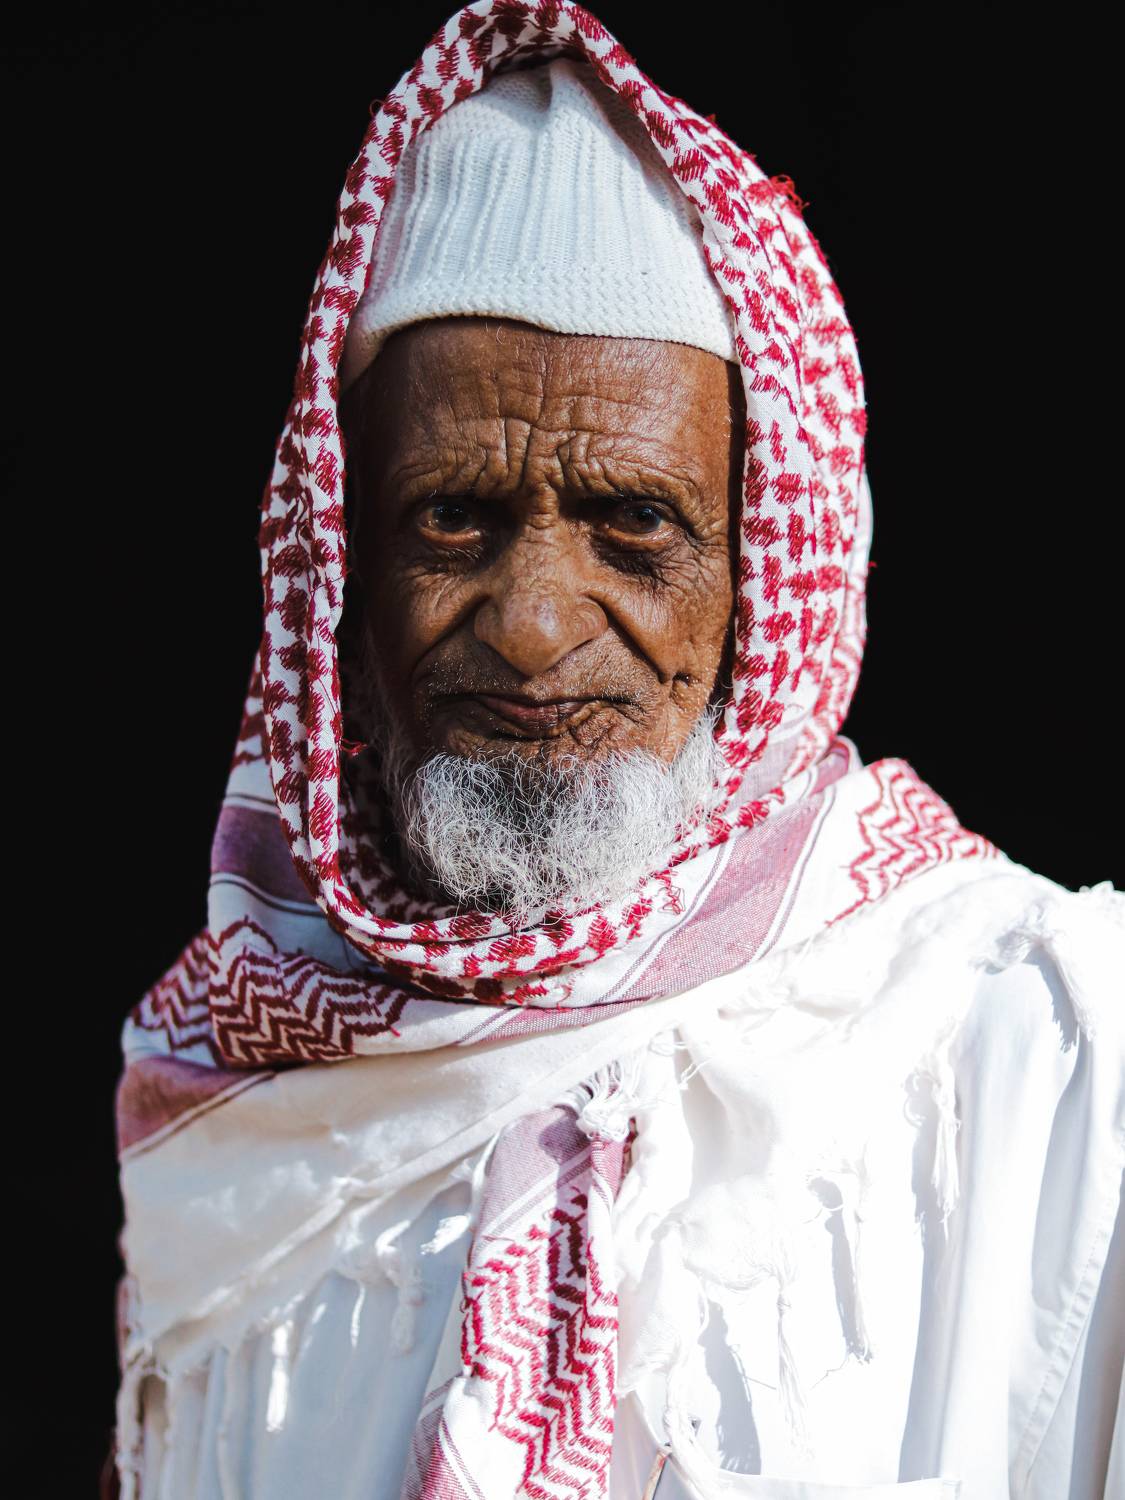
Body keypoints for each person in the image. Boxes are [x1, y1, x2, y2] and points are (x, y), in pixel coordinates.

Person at [110, 5, 1124, 1498]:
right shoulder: (225, 1132)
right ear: (344, 574)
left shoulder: (1037, 1044)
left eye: (634, 522)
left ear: (764, 577)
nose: (532, 624)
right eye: (452, 517)